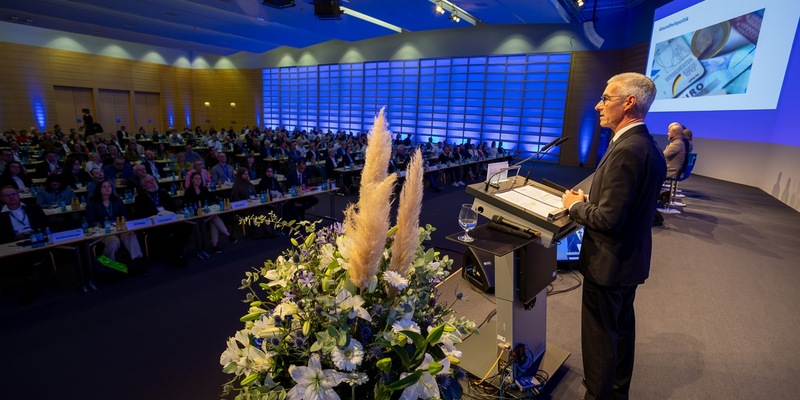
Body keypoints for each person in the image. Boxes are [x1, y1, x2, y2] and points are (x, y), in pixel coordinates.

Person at [561, 72, 666, 400]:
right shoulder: (647, 145)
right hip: (628, 262)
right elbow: (628, 208)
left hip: (608, 265)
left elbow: (608, 219)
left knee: (600, 342)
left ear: (629, 102)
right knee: (620, 335)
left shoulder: (626, 150)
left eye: (607, 98)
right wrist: (592, 202)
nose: (598, 105)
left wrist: (575, 207)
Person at [133, 174, 187, 266]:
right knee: (166, 232)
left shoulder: (163, 194)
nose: (152, 183)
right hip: (152, 223)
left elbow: (173, 208)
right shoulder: (140, 198)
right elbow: (140, 214)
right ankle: (176, 256)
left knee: (184, 226)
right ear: (144, 186)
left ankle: (178, 251)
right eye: (149, 182)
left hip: (168, 219)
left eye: (153, 180)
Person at [86, 180, 144, 264]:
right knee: (113, 241)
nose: (107, 188)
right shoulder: (92, 203)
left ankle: (138, 260)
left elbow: (124, 216)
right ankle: (110, 265)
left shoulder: (117, 200)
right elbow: (92, 221)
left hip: (118, 228)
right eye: (104, 187)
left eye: (109, 186)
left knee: (130, 235)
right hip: (103, 231)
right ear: (99, 189)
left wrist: (118, 225)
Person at [184, 171, 237, 254]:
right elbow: (187, 204)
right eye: (196, 179)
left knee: (213, 221)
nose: (198, 180)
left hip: (206, 212)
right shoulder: (188, 192)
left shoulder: (204, 189)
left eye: (200, 179)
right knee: (214, 217)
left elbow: (211, 199)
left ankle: (215, 244)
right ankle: (227, 234)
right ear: (192, 180)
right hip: (195, 214)